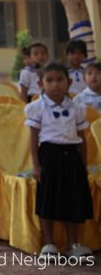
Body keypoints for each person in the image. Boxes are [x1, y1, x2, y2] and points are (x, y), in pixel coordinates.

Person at [26, 63, 93, 258]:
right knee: (48, 198)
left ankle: (73, 244)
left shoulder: (77, 108)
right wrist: (36, 165)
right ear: (41, 84)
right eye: (50, 80)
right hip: (49, 155)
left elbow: (82, 139)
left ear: (69, 82)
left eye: (60, 80)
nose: (55, 85)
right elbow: (33, 138)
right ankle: (49, 244)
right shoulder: (36, 108)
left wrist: (83, 164)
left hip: (71, 156)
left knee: (73, 199)